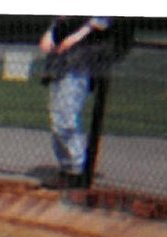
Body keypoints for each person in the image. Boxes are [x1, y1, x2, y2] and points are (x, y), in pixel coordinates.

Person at [38, 16, 118, 188]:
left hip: (80, 59)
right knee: (57, 116)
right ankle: (67, 169)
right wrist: (50, 33)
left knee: (65, 117)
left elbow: (103, 19)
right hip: (61, 59)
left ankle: (77, 171)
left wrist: (79, 34)